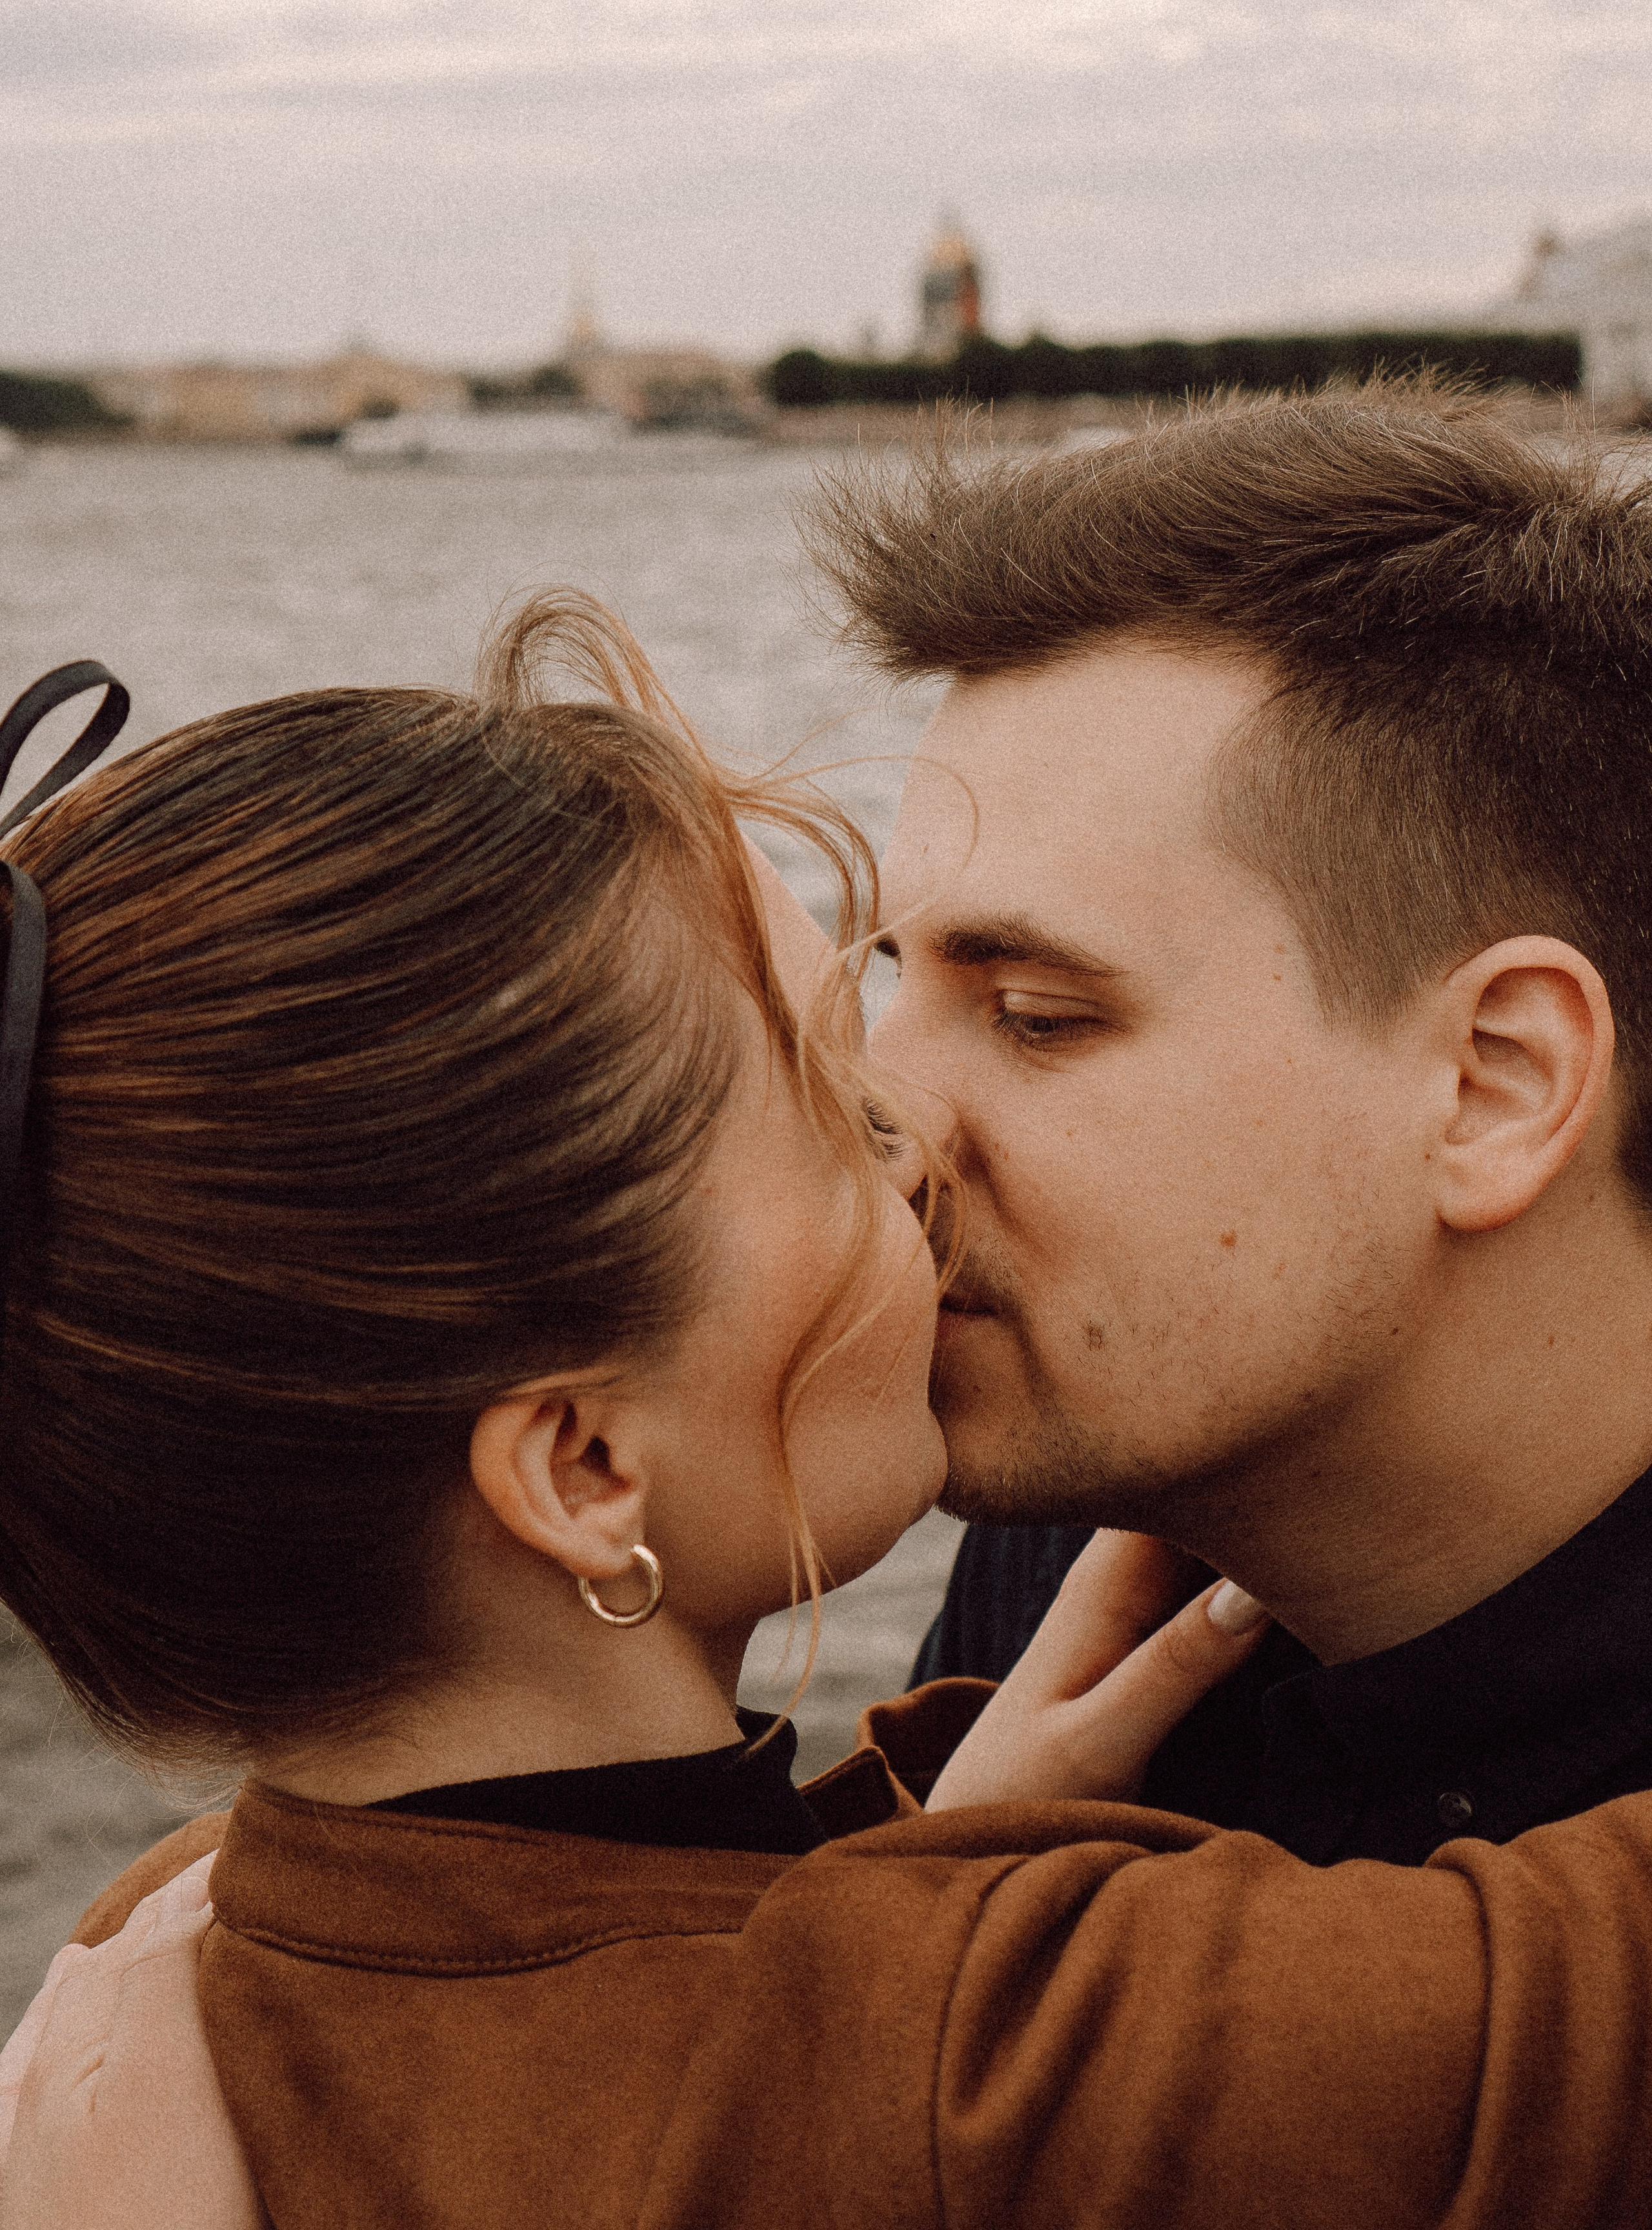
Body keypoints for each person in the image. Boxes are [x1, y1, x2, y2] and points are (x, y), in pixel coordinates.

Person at [5, 574, 1652, 2227]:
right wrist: (935, 1958)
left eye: (1027, 1017)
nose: (915, 1131)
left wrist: (895, 1854)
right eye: (826, 1111)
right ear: (581, 1466)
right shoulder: (981, 2064)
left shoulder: (158, 1960)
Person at [805, 378, 1652, 1865]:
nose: (883, 1119)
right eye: (890, 985)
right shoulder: (1079, 1535)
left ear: (1492, 1084)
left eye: (1035, 1017)